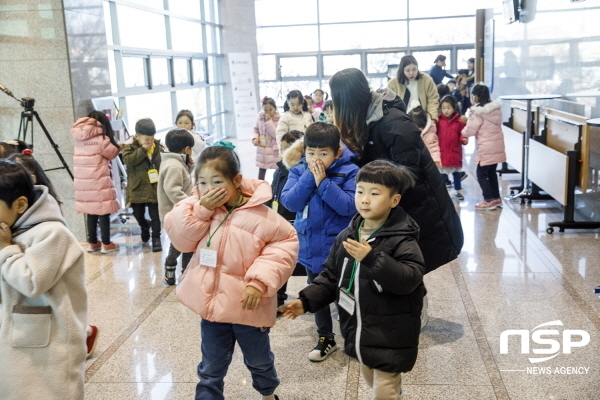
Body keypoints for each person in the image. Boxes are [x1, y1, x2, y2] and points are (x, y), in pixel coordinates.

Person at [330, 68, 464, 328]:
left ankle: (416, 308)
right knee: (392, 262)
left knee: (407, 261)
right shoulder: (368, 117)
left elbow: (407, 173)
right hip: (394, 203)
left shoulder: (392, 122)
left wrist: (374, 185)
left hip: (418, 205)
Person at [164, 145, 298, 400]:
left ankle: (268, 393)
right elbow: (182, 240)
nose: (209, 188)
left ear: (236, 181)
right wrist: (201, 210)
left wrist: (258, 282)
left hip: (249, 306)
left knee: (259, 360)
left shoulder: (265, 217)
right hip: (212, 306)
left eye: (217, 181)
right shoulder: (195, 208)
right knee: (211, 366)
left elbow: (283, 248)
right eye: (202, 182)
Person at [283, 161, 425, 400]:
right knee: (370, 376)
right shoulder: (347, 235)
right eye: (360, 192)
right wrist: (306, 301)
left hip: (392, 331)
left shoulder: (403, 239)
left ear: (394, 201)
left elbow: (409, 278)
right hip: (360, 328)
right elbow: (330, 277)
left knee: (383, 390)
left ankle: (392, 390)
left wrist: (372, 258)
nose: (365, 200)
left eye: (375, 193)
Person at [0, 160, 87, 399]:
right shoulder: (9, 230)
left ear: (19, 204)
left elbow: (32, 282)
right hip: (15, 342)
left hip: (48, 347)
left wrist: (5, 249)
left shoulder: (52, 234)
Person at [7, 153, 99, 358]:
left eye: (27, 176)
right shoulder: (12, 223)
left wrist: (6, 249)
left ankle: (85, 333)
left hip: (47, 338)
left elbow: (32, 281)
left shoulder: (50, 230)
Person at [280, 122, 359, 362]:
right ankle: (326, 337)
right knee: (317, 294)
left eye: (323, 153)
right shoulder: (297, 172)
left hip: (341, 251)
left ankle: (355, 337)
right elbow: (289, 203)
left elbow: (349, 206)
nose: (316, 159)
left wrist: (323, 182)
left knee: (347, 295)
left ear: (337, 152)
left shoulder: (350, 172)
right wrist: (309, 178)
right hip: (312, 249)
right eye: (311, 153)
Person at [71, 111, 121, 253]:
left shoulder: (79, 139)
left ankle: (92, 242)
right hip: (98, 181)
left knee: (90, 212)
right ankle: (106, 243)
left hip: (83, 182)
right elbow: (112, 153)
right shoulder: (101, 139)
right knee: (103, 212)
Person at [265, 130, 305, 309]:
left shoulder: (303, 171)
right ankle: (279, 295)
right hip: (279, 219)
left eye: (288, 149)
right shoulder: (279, 170)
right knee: (281, 259)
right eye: (282, 149)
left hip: (297, 221)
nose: (284, 153)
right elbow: (273, 193)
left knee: (300, 260)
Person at [158, 129, 195, 285]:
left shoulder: (174, 162)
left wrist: (190, 166)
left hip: (179, 212)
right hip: (177, 213)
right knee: (183, 243)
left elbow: (183, 181)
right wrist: (190, 204)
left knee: (186, 242)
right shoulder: (174, 166)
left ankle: (183, 272)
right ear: (187, 149)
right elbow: (173, 190)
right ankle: (172, 266)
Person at [462, 83, 506, 211]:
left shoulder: (476, 112)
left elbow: (470, 129)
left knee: (481, 174)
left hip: (486, 146)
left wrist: (462, 133)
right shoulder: (495, 109)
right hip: (497, 145)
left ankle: (488, 200)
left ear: (475, 97)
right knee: (491, 172)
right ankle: (496, 198)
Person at [122, 118, 163, 252]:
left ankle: (156, 239)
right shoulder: (130, 147)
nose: (149, 142)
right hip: (137, 187)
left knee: (155, 215)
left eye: (151, 139)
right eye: (145, 139)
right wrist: (143, 150)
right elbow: (129, 161)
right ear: (137, 136)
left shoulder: (158, 146)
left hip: (154, 186)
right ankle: (144, 226)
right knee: (138, 213)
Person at [387, 55, 439, 120]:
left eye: (414, 69)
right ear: (402, 70)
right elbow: (389, 105)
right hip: (401, 120)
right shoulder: (393, 84)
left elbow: (433, 100)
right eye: (407, 70)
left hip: (423, 119)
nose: (411, 73)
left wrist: (432, 118)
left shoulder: (426, 80)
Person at [436, 96, 468, 201]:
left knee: (456, 174)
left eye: (448, 107)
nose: (446, 110)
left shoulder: (459, 122)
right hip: (443, 152)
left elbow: (463, 133)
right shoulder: (438, 121)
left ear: (454, 108)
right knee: (442, 175)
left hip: (455, 152)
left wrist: (463, 139)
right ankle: (441, 193)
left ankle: (458, 191)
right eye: (443, 108)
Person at [252, 97, 280, 180]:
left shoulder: (279, 120)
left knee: (276, 170)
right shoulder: (260, 119)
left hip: (273, 151)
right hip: (262, 150)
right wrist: (254, 138)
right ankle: (260, 185)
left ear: (275, 108)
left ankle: (276, 186)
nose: (268, 112)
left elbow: (276, 134)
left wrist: (269, 122)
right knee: (262, 169)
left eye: (270, 110)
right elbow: (255, 130)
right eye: (265, 110)